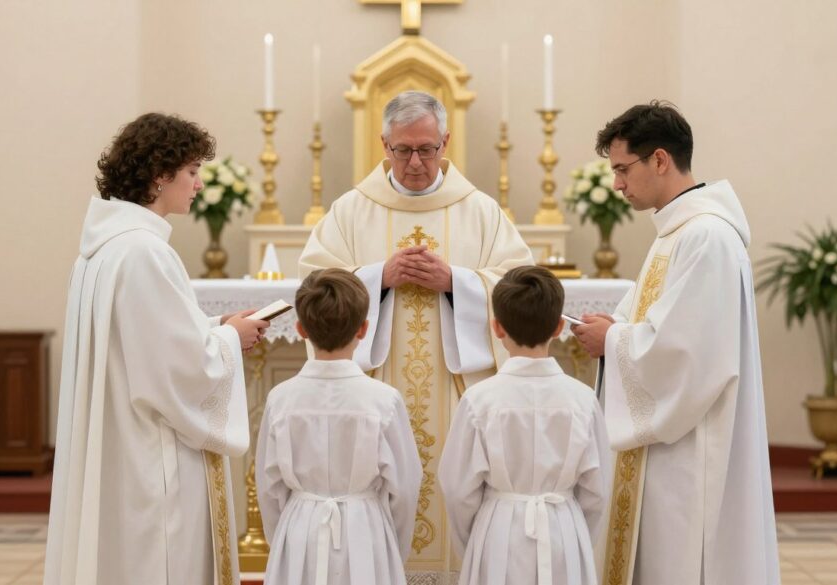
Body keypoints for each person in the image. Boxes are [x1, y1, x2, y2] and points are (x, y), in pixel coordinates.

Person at [299, 91, 533, 565]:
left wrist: (458, 283)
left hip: (456, 393)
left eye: (426, 149)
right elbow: (315, 284)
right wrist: (376, 279)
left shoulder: (480, 211)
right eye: (402, 150)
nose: (414, 163)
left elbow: (519, 287)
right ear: (383, 144)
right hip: (374, 388)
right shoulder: (351, 210)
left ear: (445, 142)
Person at [44, 113, 269, 585]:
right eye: (192, 171)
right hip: (150, 456)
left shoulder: (102, 249)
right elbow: (180, 368)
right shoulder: (144, 251)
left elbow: (145, 340)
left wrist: (216, 326)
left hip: (120, 446)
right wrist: (232, 339)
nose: (198, 184)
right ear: (160, 174)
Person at [571, 101, 779, 585]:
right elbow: (662, 325)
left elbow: (689, 355)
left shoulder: (706, 237)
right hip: (667, 445)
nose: (617, 184)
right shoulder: (676, 232)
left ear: (660, 160)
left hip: (689, 451)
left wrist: (613, 339)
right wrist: (616, 328)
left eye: (623, 169)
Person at [439, 266, 611, 585]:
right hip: (564, 529)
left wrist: (476, 540)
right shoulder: (584, 400)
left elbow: (457, 489)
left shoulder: (479, 400)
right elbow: (596, 492)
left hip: (497, 531)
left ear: (497, 328)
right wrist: (574, 531)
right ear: (559, 326)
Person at [256, 268, 422, 585]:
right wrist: (391, 547)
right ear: (363, 329)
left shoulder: (281, 398)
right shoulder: (384, 400)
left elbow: (269, 486)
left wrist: (284, 539)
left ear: (300, 329)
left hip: (300, 529)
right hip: (366, 529)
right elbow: (405, 486)